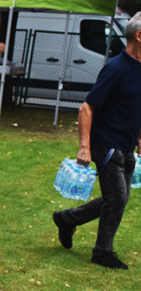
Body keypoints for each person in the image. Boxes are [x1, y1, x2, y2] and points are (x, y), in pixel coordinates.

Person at [53, 13, 141, 270]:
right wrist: (84, 147)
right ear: (139, 36)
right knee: (117, 199)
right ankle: (102, 252)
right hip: (107, 143)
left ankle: (66, 219)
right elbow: (86, 108)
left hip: (125, 144)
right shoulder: (116, 68)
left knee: (117, 198)